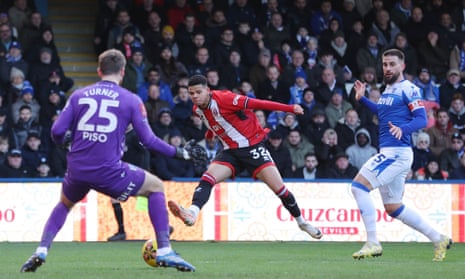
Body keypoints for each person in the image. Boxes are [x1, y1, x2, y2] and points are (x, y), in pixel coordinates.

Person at [20, 49, 196, 273]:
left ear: (99, 70)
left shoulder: (78, 95)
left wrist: (66, 142)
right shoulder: (131, 100)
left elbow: (56, 130)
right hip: (108, 170)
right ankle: (164, 250)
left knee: (64, 205)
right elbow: (149, 140)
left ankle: (42, 250)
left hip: (77, 169)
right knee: (156, 186)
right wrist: (180, 153)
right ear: (122, 72)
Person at [167, 74, 322, 240]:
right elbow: (215, 122)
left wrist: (289, 108)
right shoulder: (196, 109)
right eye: (191, 93)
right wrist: (209, 135)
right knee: (207, 178)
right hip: (230, 152)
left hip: (252, 148)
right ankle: (192, 213)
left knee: (280, 190)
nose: (195, 96)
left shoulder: (225, 99)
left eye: (198, 92)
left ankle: (301, 222)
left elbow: (258, 103)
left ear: (208, 90)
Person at [350, 48, 451, 261]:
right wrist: (363, 100)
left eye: (391, 64)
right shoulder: (388, 90)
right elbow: (381, 112)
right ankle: (438, 238)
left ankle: (372, 242)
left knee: (358, 187)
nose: (387, 68)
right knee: (393, 207)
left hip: (396, 153)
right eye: (384, 64)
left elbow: (422, 119)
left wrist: (402, 129)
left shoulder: (409, 89)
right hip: (393, 152)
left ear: (402, 66)